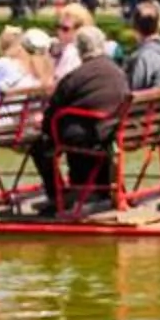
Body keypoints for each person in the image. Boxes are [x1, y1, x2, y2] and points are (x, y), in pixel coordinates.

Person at [32, 25, 129, 211]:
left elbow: (52, 110)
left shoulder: (76, 77)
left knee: (40, 146)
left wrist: (45, 126)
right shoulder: (118, 72)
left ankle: (58, 195)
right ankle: (92, 191)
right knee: (73, 132)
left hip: (90, 135)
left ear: (79, 50)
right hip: (112, 131)